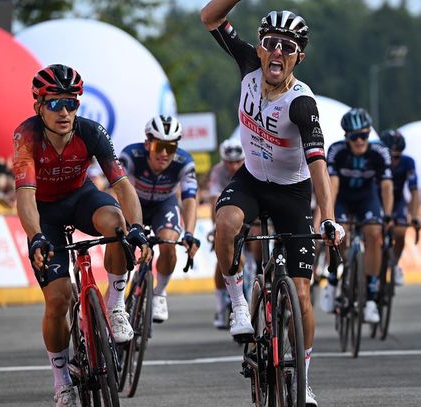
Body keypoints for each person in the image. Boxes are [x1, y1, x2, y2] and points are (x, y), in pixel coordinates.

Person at [201, 4, 344, 405]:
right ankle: (239, 305)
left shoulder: (302, 104)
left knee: (300, 294)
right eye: (271, 43)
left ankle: (304, 378)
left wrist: (328, 218)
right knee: (226, 225)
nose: (277, 52)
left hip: (291, 192)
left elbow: (319, 166)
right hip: (249, 179)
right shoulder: (247, 62)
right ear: (260, 49)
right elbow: (209, 19)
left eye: (288, 46)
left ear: (299, 56)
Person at [13, 64, 151, 407]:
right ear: (38, 106)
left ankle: (116, 305)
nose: (65, 112)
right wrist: (35, 238)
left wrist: (137, 228)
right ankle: (61, 381)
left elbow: (121, 185)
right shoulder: (26, 136)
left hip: (80, 198)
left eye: (71, 103)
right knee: (58, 300)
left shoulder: (91, 132)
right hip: (44, 211)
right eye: (55, 103)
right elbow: (25, 195)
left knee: (117, 225)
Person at [119, 115, 200, 323]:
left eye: (170, 148)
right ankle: (116, 299)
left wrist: (189, 233)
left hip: (164, 205)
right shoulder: (130, 155)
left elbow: (190, 199)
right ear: (147, 144)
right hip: (133, 203)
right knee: (120, 245)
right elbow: (116, 191)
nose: (164, 154)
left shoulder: (185, 162)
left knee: (168, 243)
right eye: (159, 147)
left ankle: (160, 292)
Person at [323, 108, 393, 325]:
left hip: (366, 199)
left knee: (374, 234)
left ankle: (371, 298)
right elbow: (332, 186)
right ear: (346, 137)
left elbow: (387, 186)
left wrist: (388, 216)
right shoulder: (336, 151)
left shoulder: (380, 152)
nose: (360, 141)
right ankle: (333, 279)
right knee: (338, 233)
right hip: (343, 197)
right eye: (355, 137)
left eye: (364, 135)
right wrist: (330, 216)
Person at [208, 138, 260, 329]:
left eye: (238, 161)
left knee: (258, 239)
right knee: (221, 254)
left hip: (249, 215)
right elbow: (215, 200)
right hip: (228, 214)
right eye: (229, 162)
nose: (233, 166)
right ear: (223, 161)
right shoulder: (217, 172)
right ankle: (222, 307)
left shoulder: (252, 167)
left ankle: (260, 278)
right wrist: (218, 228)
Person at [379, 129, 418, 285]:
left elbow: (414, 191)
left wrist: (414, 217)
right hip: (378, 198)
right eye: (391, 155)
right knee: (374, 232)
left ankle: (394, 264)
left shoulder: (408, 162)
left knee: (401, 232)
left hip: (397, 201)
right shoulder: (376, 159)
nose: (394, 159)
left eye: (398, 155)